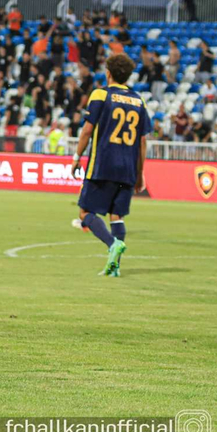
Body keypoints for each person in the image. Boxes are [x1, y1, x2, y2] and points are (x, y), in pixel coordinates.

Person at [70, 53, 151, 277]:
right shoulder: (139, 100)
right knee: (117, 216)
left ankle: (111, 245)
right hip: (127, 168)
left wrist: (77, 156)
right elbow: (142, 140)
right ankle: (115, 266)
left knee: (85, 212)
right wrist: (140, 173)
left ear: (108, 73)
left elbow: (87, 129)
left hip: (102, 164)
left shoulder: (100, 94)